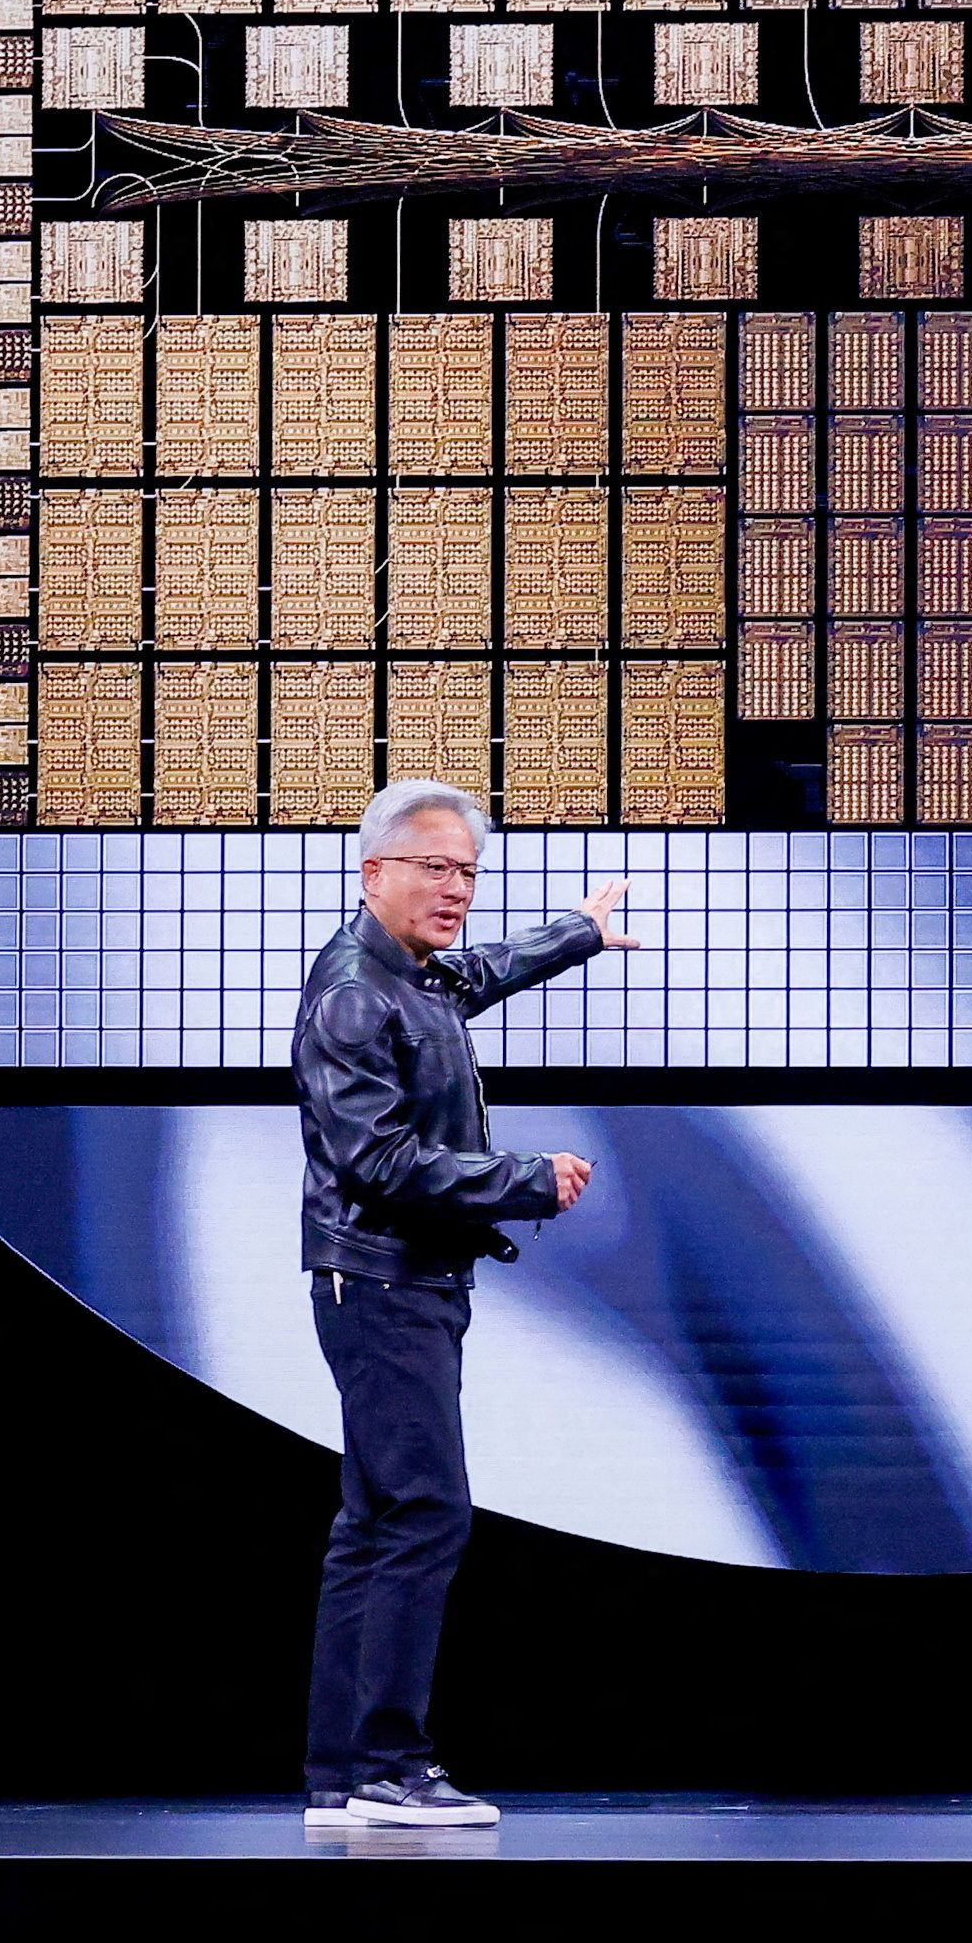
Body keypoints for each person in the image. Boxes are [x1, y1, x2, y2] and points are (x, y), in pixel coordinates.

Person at [295, 777, 633, 1831]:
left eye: (467, 873)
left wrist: (573, 933)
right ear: (373, 873)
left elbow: (475, 973)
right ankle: (390, 1768)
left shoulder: (410, 975)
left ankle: (343, 1774)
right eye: (434, 868)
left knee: (378, 1522)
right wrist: (525, 1182)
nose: (455, 890)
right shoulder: (357, 991)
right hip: (384, 1284)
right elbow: (380, 1159)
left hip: (404, 1282)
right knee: (421, 1515)